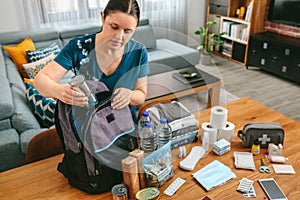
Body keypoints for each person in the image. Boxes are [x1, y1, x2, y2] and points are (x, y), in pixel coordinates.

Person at [34, 0, 149, 123]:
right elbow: (40, 80)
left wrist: (129, 95)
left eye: (127, 31)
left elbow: (141, 94)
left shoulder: (139, 52)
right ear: (103, 18)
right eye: (114, 27)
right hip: (89, 129)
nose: (119, 37)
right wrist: (58, 91)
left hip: (125, 127)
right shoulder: (78, 47)